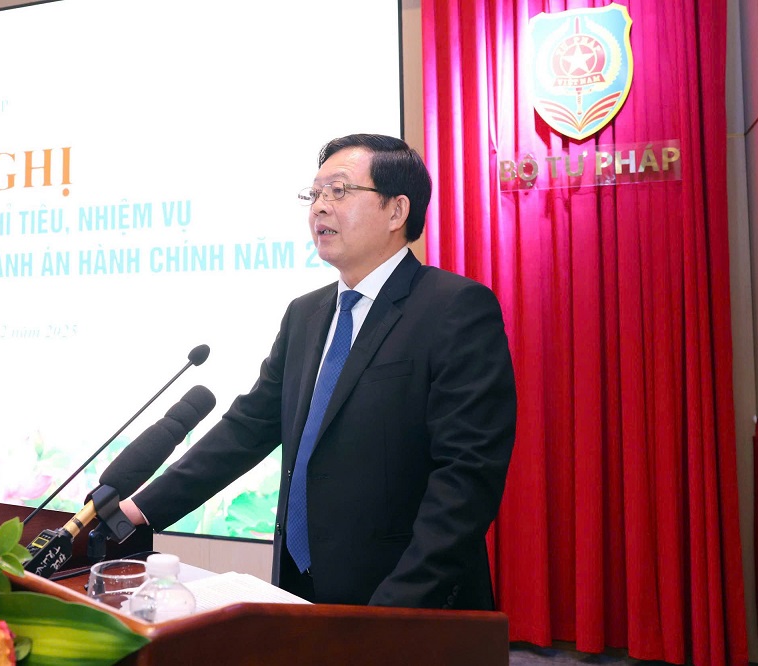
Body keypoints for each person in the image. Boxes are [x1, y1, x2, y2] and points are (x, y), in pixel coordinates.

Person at [120, 133, 516, 610]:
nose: (320, 207)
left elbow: (467, 478)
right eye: (314, 194)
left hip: (403, 601)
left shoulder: (454, 308)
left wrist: (394, 609)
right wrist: (139, 510)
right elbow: (248, 428)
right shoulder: (305, 314)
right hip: (301, 587)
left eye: (339, 190)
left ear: (397, 211)